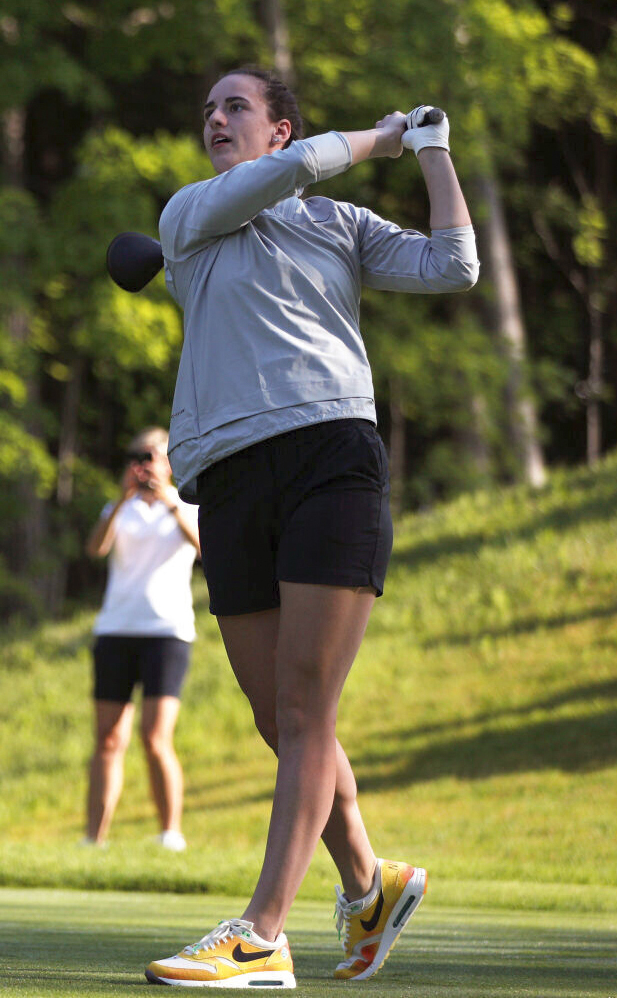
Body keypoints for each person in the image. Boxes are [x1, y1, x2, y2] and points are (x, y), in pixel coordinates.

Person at [141, 69, 477, 988]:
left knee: (303, 712)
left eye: (234, 106)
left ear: (277, 126)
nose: (213, 118)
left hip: (332, 454)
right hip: (229, 476)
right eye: (206, 108)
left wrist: (433, 151)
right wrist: (383, 139)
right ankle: (369, 884)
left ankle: (261, 932)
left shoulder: (339, 225)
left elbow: (454, 266)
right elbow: (281, 178)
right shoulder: (191, 216)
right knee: (277, 717)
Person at [83, 427, 201, 852]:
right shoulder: (119, 507)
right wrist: (120, 501)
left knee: (155, 738)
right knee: (108, 739)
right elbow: (95, 549)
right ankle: (93, 839)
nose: (146, 463)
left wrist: (170, 502)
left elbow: (205, 549)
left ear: (171, 462)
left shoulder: (188, 505)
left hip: (166, 633)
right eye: (140, 455)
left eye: (154, 455)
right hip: (115, 630)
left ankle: (170, 833)